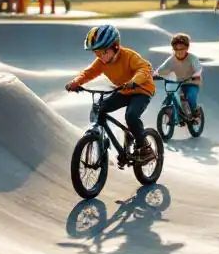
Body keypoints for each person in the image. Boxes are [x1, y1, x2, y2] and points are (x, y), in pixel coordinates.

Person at [65, 24, 157, 164]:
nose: (99, 56)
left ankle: (144, 147)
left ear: (115, 46)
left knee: (131, 115)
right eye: (96, 53)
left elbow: (144, 68)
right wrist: (76, 82)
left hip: (142, 90)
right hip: (124, 91)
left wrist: (134, 81)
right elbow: (88, 72)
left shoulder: (129, 56)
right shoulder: (102, 62)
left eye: (102, 52)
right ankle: (98, 137)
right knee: (100, 107)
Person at [154, 33, 203, 114]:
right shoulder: (171, 59)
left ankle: (195, 111)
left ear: (187, 48)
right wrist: (155, 75)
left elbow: (198, 69)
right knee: (171, 96)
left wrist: (196, 76)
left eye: (182, 49)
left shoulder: (192, 58)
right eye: (176, 49)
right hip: (177, 82)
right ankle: (174, 114)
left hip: (191, 82)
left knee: (190, 96)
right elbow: (161, 70)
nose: (179, 52)